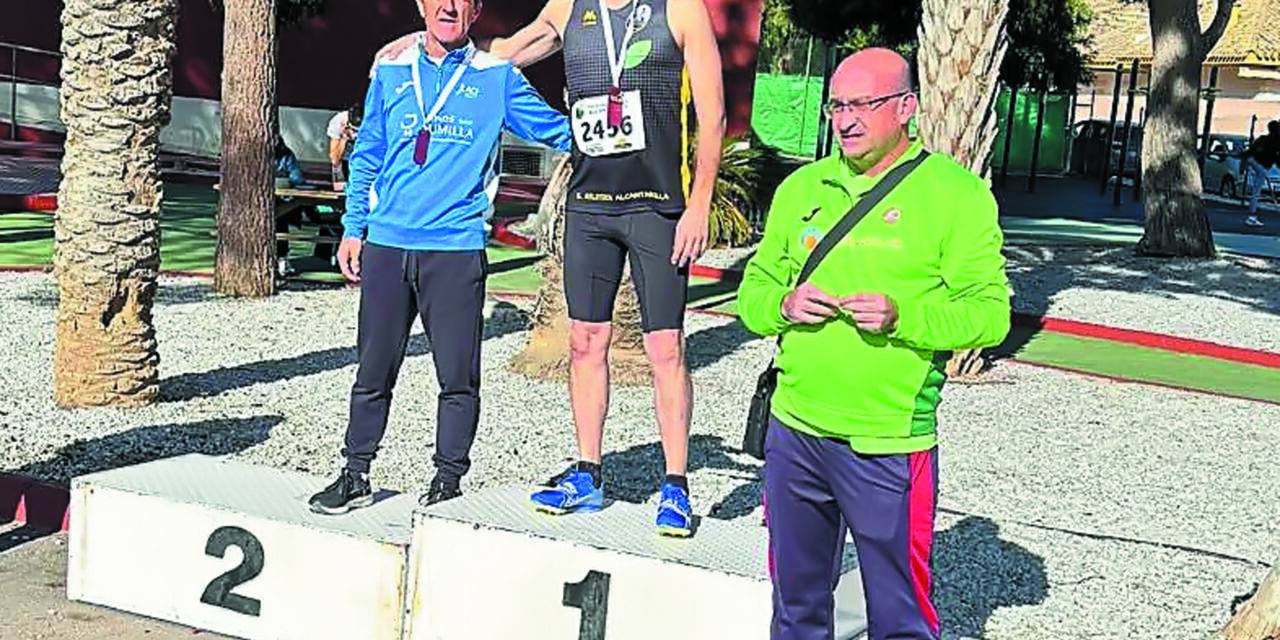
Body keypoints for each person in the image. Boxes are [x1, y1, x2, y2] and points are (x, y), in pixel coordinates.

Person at [377, 0, 725, 536]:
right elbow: (502, 53)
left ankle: (675, 483)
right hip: (589, 205)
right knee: (585, 341)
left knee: (666, 346)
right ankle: (588, 471)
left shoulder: (679, 8)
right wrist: (420, 45)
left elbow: (713, 110)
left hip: (657, 203)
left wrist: (700, 203)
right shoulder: (568, 6)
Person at [737, 48, 1011, 640]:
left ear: (907, 108)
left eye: (865, 104)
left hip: (887, 442)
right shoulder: (802, 187)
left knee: (900, 617)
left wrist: (903, 316)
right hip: (795, 432)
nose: (847, 119)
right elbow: (754, 293)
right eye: (838, 105)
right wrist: (783, 305)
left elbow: (990, 317)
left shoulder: (955, 196)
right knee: (796, 607)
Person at [307, 0, 573, 515]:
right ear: (422, 5)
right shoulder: (391, 70)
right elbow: (367, 155)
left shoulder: (496, 77)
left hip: (454, 249)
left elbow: (555, 131)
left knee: (457, 377)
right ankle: (356, 473)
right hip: (387, 245)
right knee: (373, 370)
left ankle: (448, 483)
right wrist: (353, 229)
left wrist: (618, 139)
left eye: (461, 0)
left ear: (475, 12)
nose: (448, 6)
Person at [1242, 120, 1279, 227]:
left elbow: (1253, 149)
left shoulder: (1265, 138)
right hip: (1260, 165)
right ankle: (1252, 215)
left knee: (1256, 189)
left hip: (1254, 161)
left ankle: (1252, 214)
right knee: (1256, 190)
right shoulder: (1275, 141)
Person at [328, 99, 365, 190]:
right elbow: (334, 159)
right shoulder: (338, 122)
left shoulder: (372, 122)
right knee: (340, 187)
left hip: (363, 150)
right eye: (353, 129)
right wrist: (344, 138)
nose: (355, 132)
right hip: (344, 153)